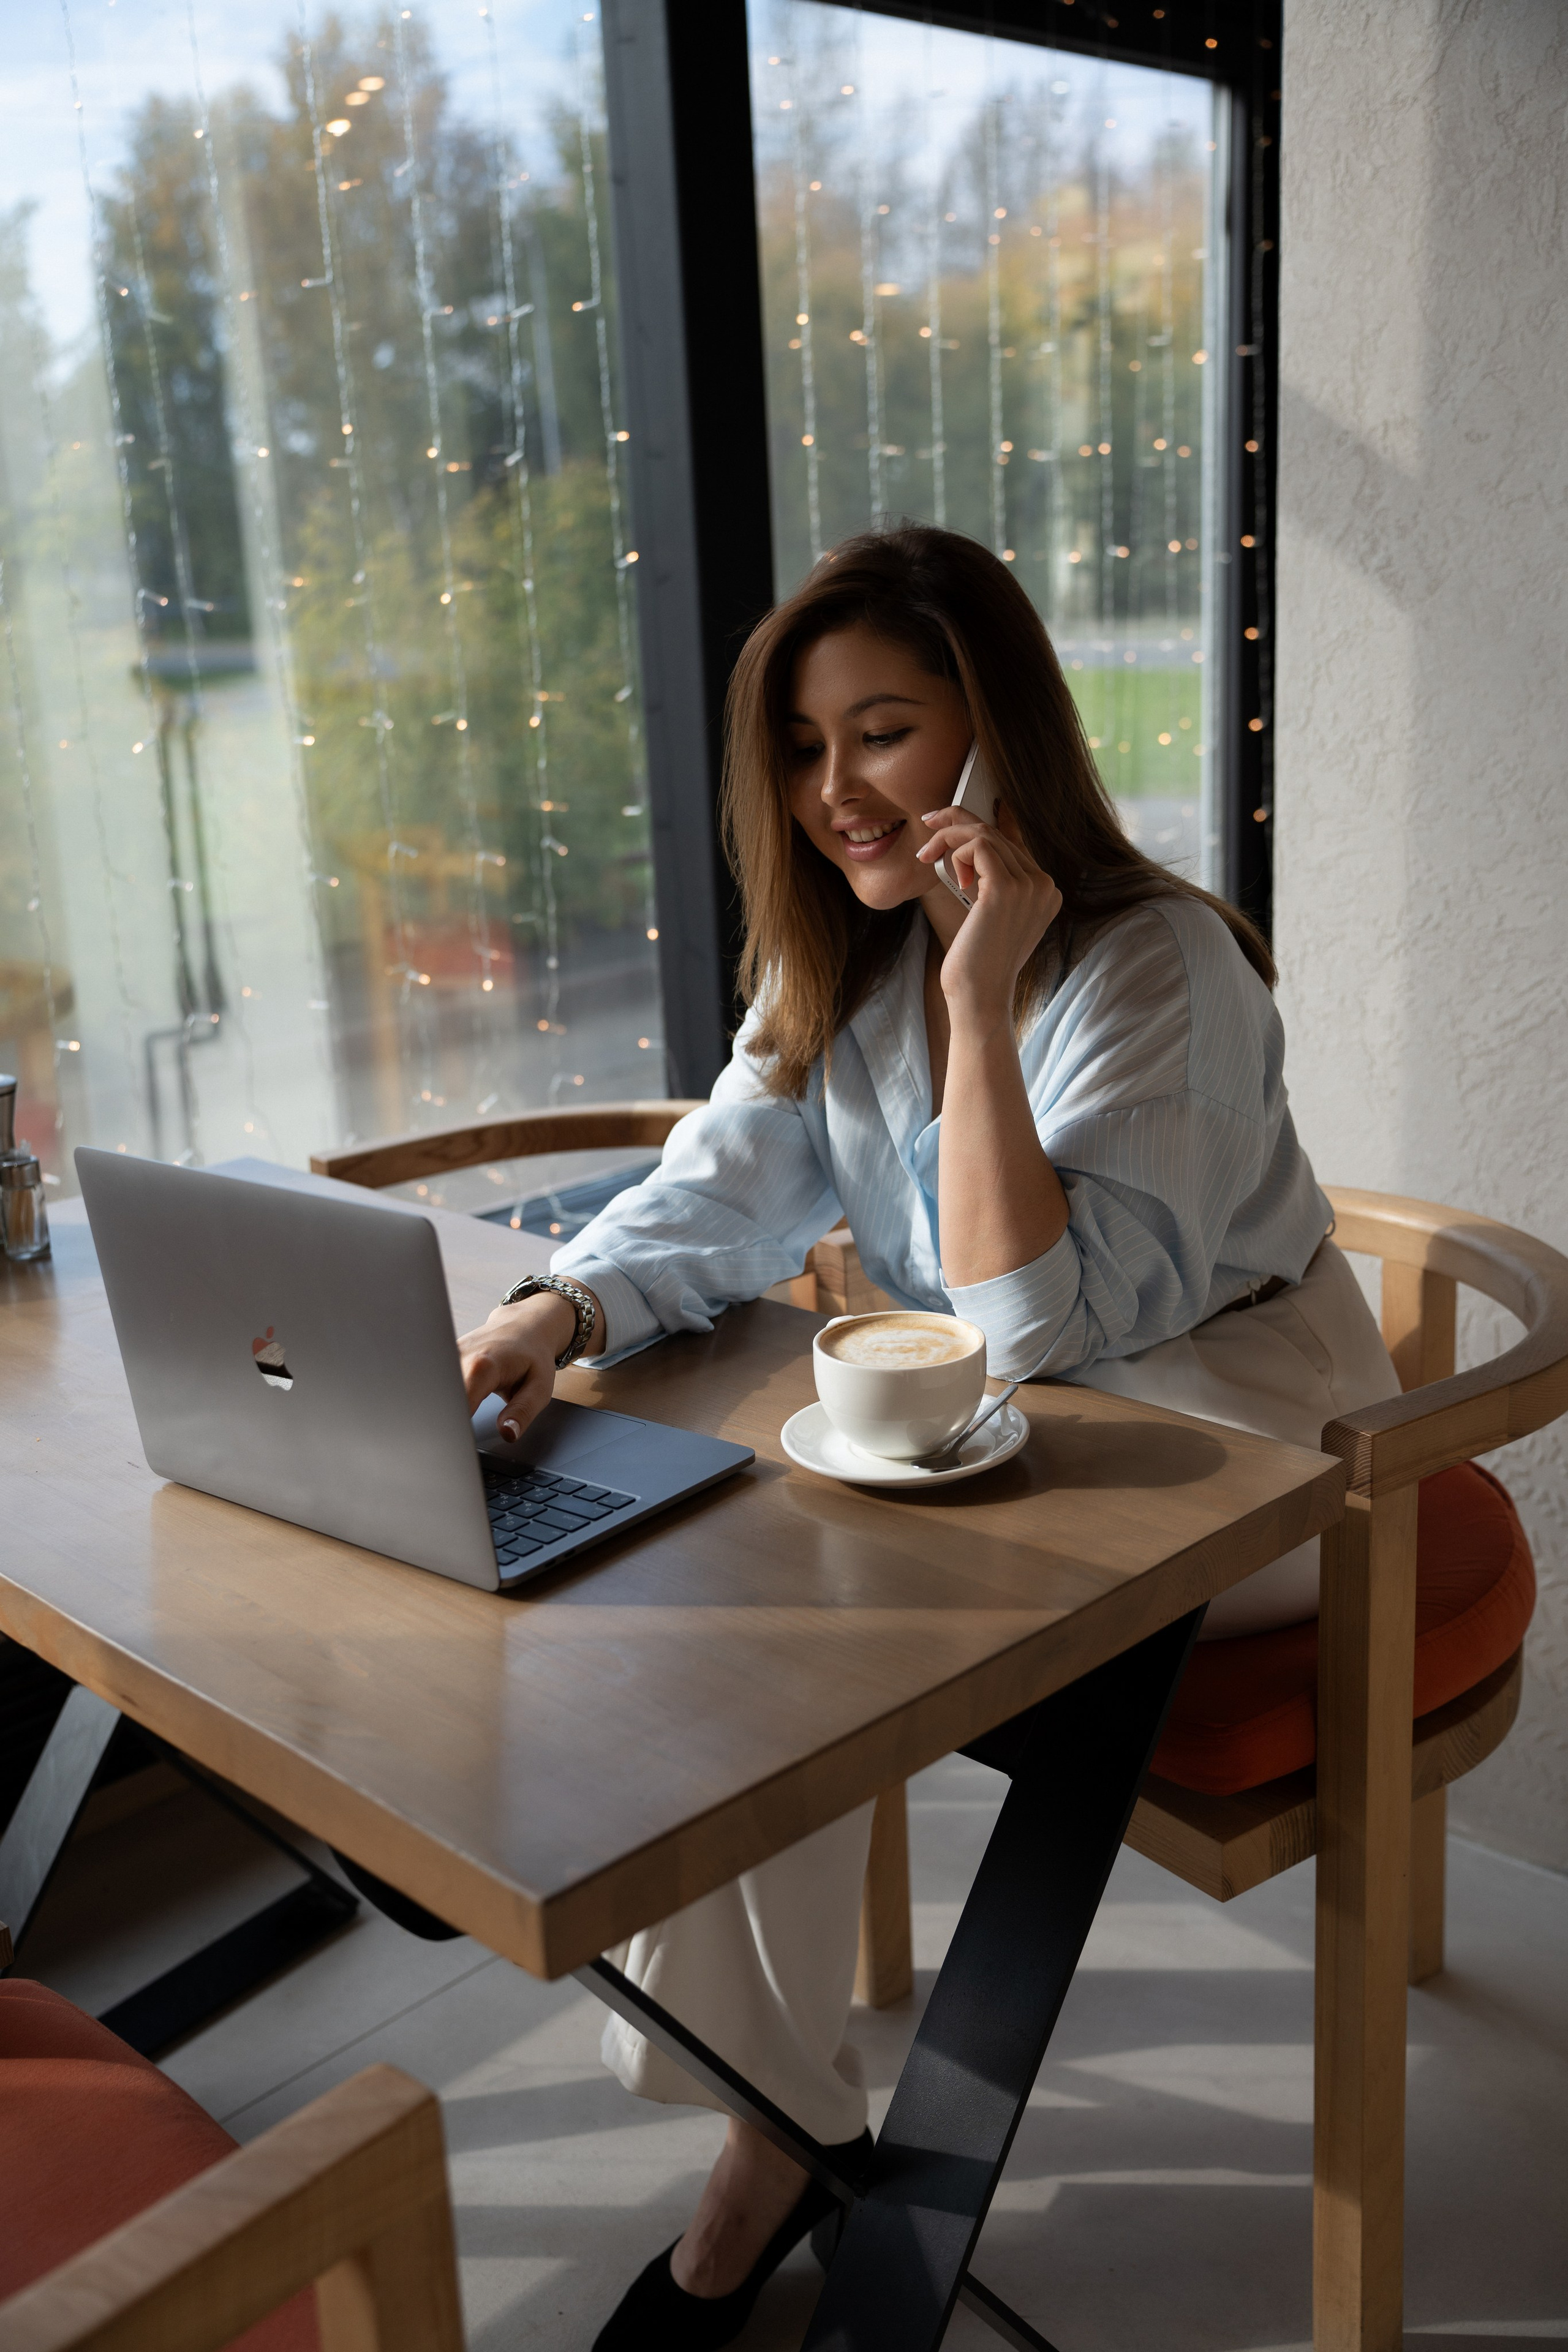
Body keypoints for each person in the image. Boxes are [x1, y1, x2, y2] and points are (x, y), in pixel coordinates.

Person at [456, 525, 1399, 2350]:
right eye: (805, 748)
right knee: (731, 1607)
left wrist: (978, 996)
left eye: (882, 732)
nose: (836, 790)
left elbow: (1030, 1323)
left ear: (994, 727)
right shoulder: (836, 957)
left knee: (795, 1610)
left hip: (1249, 1469)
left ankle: (772, 2162)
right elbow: (720, 1189)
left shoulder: (1160, 966)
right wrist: (554, 1310)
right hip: (994, 1449)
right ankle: (779, 2117)